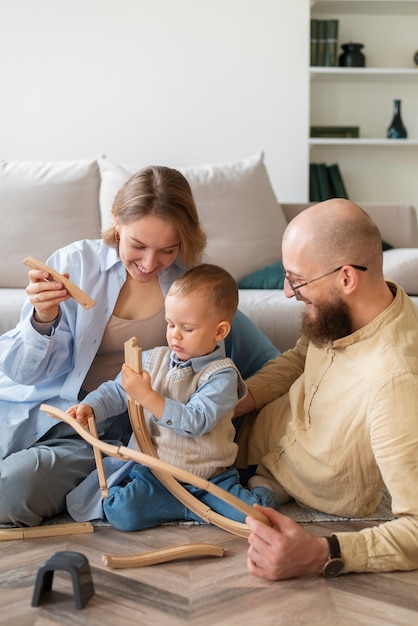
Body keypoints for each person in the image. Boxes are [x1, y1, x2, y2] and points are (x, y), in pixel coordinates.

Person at [0, 166, 278, 527]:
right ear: (117, 221)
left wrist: (224, 410)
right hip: (65, 409)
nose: (149, 264)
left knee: (10, 492)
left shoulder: (193, 283)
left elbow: (266, 360)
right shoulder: (74, 265)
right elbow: (23, 372)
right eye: (138, 245)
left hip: (135, 435)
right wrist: (43, 317)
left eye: (167, 249)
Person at [233, 198, 418, 580]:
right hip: (253, 427)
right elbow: (300, 357)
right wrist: (237, 402)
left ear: (346, 278)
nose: (287, 292)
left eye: (297, 280)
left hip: (266, 473)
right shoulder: (350, 310)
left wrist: (322, 552)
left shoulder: (396, 382)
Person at [65, 264, 279, 530]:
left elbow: (196, 421)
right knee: (121, 514)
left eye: (187, 328)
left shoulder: (222, 376)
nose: (174, 334)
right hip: (156, 475)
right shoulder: (153, 359)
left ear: (220, 332)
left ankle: (261, 485)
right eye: (170, 323)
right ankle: (178, 506)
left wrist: (147, 396)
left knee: (259, 516)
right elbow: (118, 390)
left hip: (210, 479)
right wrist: (91, 406)